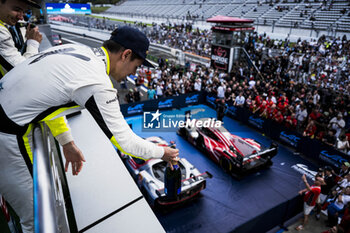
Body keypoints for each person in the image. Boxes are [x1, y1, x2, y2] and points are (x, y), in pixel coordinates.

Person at [0, 26, 179, 233]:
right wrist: (163, 153)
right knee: (36, 218)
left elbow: (47, 96)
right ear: (126, 54)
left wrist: (67, 142)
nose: (134, 73)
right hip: (7, 133)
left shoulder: (77, 49)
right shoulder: (97, 80)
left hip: (9, 118)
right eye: (136, 66)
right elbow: (126, 143)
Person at [0, 1, 84, 232]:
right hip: (9, 133)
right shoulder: (1, 33)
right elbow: (29, 78)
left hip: (13, 128)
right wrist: (32, 45)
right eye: (16, 8)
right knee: (35, 218)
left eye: (24, 11)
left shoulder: (7, 28)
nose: (20, 15)